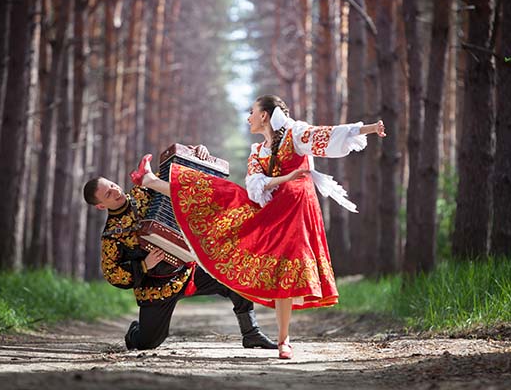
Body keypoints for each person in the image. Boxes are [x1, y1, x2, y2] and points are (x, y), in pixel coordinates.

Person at [133, 95, 386, 359]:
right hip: (272, 208)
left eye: (252, 111)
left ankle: (283, 340)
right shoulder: (258, 151)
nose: (248, 117)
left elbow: (327, 135)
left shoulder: (294, 134)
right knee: (221, 193)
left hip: (297, 208)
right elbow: (257, 186)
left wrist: (369, 128)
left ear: (264, 115)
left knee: (287, 269)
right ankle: (149, 180)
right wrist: (284, 177)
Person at [82, 146, 277, 351]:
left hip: (188, 269)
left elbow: (176, 172)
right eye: (107, 194)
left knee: (232, 274)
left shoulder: (144, 190)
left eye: (112, 185)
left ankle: (251, 333)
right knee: (147, 343)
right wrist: (143, 265)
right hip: (156, 289)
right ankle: (135, 332)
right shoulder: (112, 235)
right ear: (101, 206)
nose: (115, 191)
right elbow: (112, 273)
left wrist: (198, 153)